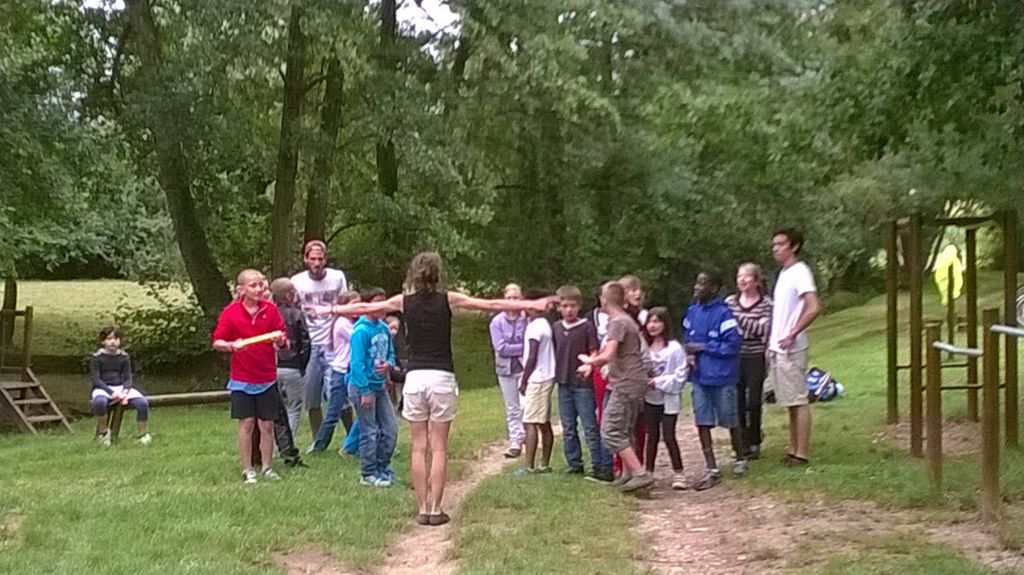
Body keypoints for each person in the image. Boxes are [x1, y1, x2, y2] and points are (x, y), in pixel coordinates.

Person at [318, 252, 549, 527]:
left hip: (415, 378)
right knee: (438, 448)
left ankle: (422, 508)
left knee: (418, 448)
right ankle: (437, 509)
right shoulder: (448, 299)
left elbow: (366, 308)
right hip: (441, 377)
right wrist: (531, 303)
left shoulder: (402, 302)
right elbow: (490, 304)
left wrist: (329, 311)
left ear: (413, 275)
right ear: (438, 274)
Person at [212, 269, 288, 483]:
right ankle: (247, 469)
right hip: (242, 379)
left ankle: (267, 467)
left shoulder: (271, 310)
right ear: (241, 290)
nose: (258, 289)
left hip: (267, 377)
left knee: (267, 425)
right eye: (253, 285)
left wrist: (280, 340)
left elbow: (283, 337)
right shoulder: (231, 312)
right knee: (246, 423)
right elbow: (217, 341)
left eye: (260, 285)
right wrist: (231, 345)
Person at [577, 282, 653, 492]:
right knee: (625, 429)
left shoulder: (618, 322)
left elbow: (609, 354)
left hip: (625, 384)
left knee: (610, 430)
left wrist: (590, 362)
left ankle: (639, 474)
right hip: (634, 382)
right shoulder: (626, 320)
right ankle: (628, 475)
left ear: (605, 300)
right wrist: (592, 366)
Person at [683, 271, 747, 491]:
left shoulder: (724, 314)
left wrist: (703, 347)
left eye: (703, 283)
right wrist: (689, 355)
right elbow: (688, 338)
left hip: (722, 376)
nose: (697, 287)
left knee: (730, 418)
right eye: (697, 282)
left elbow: (733, 345)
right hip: (699, 377)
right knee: (702, 420)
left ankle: (740, 458)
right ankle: (711, 467)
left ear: (714, 288)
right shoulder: (692, 311)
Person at [768, 227, 821, 467]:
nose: (776, 249)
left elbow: (814, 307)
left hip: (792, 348)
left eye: (781, 244)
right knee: (789, 402)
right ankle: (792, 449)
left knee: (798, 400)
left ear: (794, 246)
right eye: (774, 245)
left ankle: (801, 453)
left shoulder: (801, 272)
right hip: (778, 348)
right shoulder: (783, 273)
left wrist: (793, 333)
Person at [291, 239, 349, 441]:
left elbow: (346, 305)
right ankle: (318, 440)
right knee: (311, 393)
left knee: (339, 392)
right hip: (311, 343)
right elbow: (294, 312)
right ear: (305, 259)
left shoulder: (337, 277)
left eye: (320, 259)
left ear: (325, 259)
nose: (317, 263)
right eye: (313, 259)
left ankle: (351, 437)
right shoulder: (297, 281)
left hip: (334, 342)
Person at [551, 285, 610, 481]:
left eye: (572, 306)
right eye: (565, 306)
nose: (569, 310)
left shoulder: (586, 326)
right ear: (559, 307)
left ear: (579, 306)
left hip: (582, 384)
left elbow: (594, 351)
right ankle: (574, 463)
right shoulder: (556, 328)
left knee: (589, 426)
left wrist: (589, 366)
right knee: (568, 427)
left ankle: (599, 464)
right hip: (563, 382)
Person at [348, 287, 400, 487]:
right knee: (369, 430)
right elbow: (356, 363)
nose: (382, 307)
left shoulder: (384, 328)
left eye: (384, 302)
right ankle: (368, 472)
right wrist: (364, 390)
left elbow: (390, 353)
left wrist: (389, 365)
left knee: (390, 428)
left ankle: (383, 467)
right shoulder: (361, 331)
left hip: (380, 386)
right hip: (363, 387)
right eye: (377, 302)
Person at [725, 263, 773, 460]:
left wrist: (737, 318)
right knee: (737, 401)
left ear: (756, 281)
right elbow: (727, 328)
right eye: (739, 276)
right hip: (735, 356)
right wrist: (750, 324)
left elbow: (763, 330)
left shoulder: (766, 304)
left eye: (746, 276)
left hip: (756, 356)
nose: (742, 280)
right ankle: (741, 442)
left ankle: (755, 441)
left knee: (754, 400)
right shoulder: (729, 301)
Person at [642, 307, 688, 489]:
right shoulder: (644, 348)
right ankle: (648, 473)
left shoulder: (674, 348)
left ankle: (679, 472)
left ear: (665, 324)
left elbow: (680, 376)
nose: (652, 326)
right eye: (650, 321)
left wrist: (657, 382)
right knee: (651, 435)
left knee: (669, 435)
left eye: (657, 321)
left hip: (669, 399)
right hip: (649, 399)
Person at [309, 290, 360, 453]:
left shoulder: (352, 322)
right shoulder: (343, 323)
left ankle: (354, 443)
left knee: (358, 409)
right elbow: (358, 339)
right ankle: (319, 446)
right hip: (341, 372)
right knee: (333, 413)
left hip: (351, 370)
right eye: (354, 305)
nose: (357, 308)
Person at [516, 289, 557, 475]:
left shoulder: (535, 327)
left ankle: (529, 466)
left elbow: (532, 356)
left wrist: (524, 380)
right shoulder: (545, 324)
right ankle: (544, 464)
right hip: (546, 375)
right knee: (543, 421)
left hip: (538, 377)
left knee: (530, 421)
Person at [89, 326, 151, 446]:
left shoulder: (124, 357)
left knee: (142, 403)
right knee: (100, 402)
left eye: (116, 339)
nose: (113, 342)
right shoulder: (97, 358)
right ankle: (103, 432)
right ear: (103, 341)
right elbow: (96, 380)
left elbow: (128, 378)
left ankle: (143, 434)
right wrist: (112, 393)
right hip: (103, 388)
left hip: (121, 388)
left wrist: (125, 392)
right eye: (109, 339)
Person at [488, 283, 528, 459]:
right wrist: (523, 347)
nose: (512, 301)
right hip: (505, 369)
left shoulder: (526, 320)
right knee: (512, 407)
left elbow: (532, 343)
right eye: (509, 298)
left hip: (525, 367)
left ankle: (526, 434)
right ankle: (515, 442)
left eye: (515, 297)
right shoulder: (497, 322)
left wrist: (521, 348)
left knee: (526, 405)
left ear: (521, 299)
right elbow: (501, 348)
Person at [270, 278, 310, 437]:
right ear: (288, 295)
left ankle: (272, 443)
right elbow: (305, 342)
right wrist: (302, 364)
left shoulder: (267, 314)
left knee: (274, 409)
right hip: (292, 365)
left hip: (271, 366)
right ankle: (288, 441)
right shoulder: (296, 314)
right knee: (294, 407)